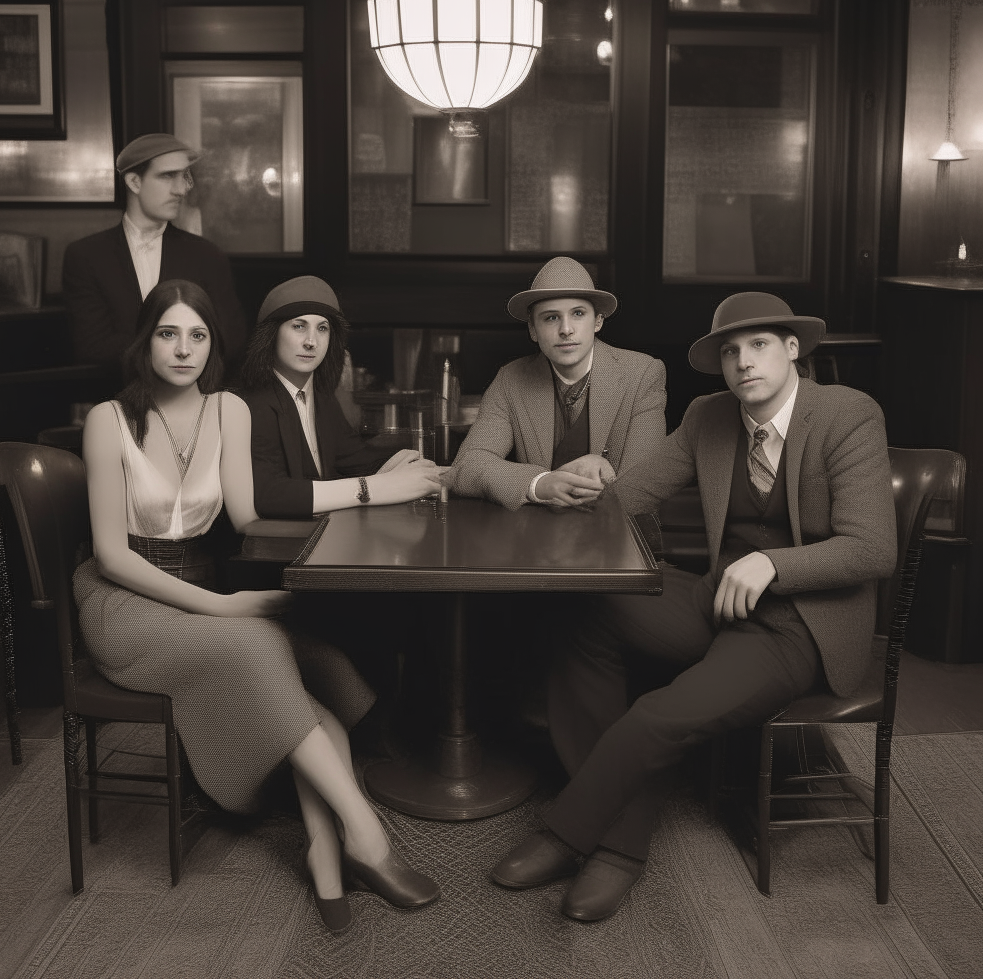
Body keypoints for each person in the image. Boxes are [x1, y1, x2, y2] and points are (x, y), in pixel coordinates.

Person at [490, 291, 898, 922]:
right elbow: (629, 495)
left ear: (793, 350)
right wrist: (557, 503)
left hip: (799, 621)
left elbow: (873, 548)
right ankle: (620, 833)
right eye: (730, 351)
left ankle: (570, 836)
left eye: (759, 345)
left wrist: (774, 564)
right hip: (718, 596)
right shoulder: (711, 416)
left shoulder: (847, 416)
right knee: (583, 613)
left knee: (657, 713)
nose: (743, 363)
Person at [73, 279, 440, 933]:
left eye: (197, 335)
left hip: (204, 586)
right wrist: (221, 609)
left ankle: (325, 850)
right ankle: (366, 836)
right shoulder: (109, 419)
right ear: (145, 341)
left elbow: (246, 511)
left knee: (317, 663)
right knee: (257, 642)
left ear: (215, 346)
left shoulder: (229, 412)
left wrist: (378, 485)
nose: (182, 349)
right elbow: (110, 556)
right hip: (124, 603)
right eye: (167, 333)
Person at [446, 256, 667, 510]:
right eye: (551, 318)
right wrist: (539, 484)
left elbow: (644, 485)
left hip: (621, 532)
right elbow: (467, 466)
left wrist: (606, 478)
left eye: (578, 314)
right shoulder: (511, 379)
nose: (566, 329)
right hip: (539, 535)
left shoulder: (642, 374)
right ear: (532, 329)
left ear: (598, 321)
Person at [241, 275, 444, 516]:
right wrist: (369, 489)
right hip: (284, 548)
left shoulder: (321, 398)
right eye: (299, 326)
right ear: (271, 335)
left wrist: (435, 472)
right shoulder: (250, 405)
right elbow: (269, 495)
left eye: (322, 328)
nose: (311, 341)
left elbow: (356, 460)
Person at [62, 133, 248, 378]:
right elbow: (92, 346)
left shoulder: (208, 256)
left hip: (195, 400)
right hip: (119, 402)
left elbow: (231, 340)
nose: (181, 189)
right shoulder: (86, 256)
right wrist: (181, 343)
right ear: (134, 182)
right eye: (167, 176)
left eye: (184, 176)